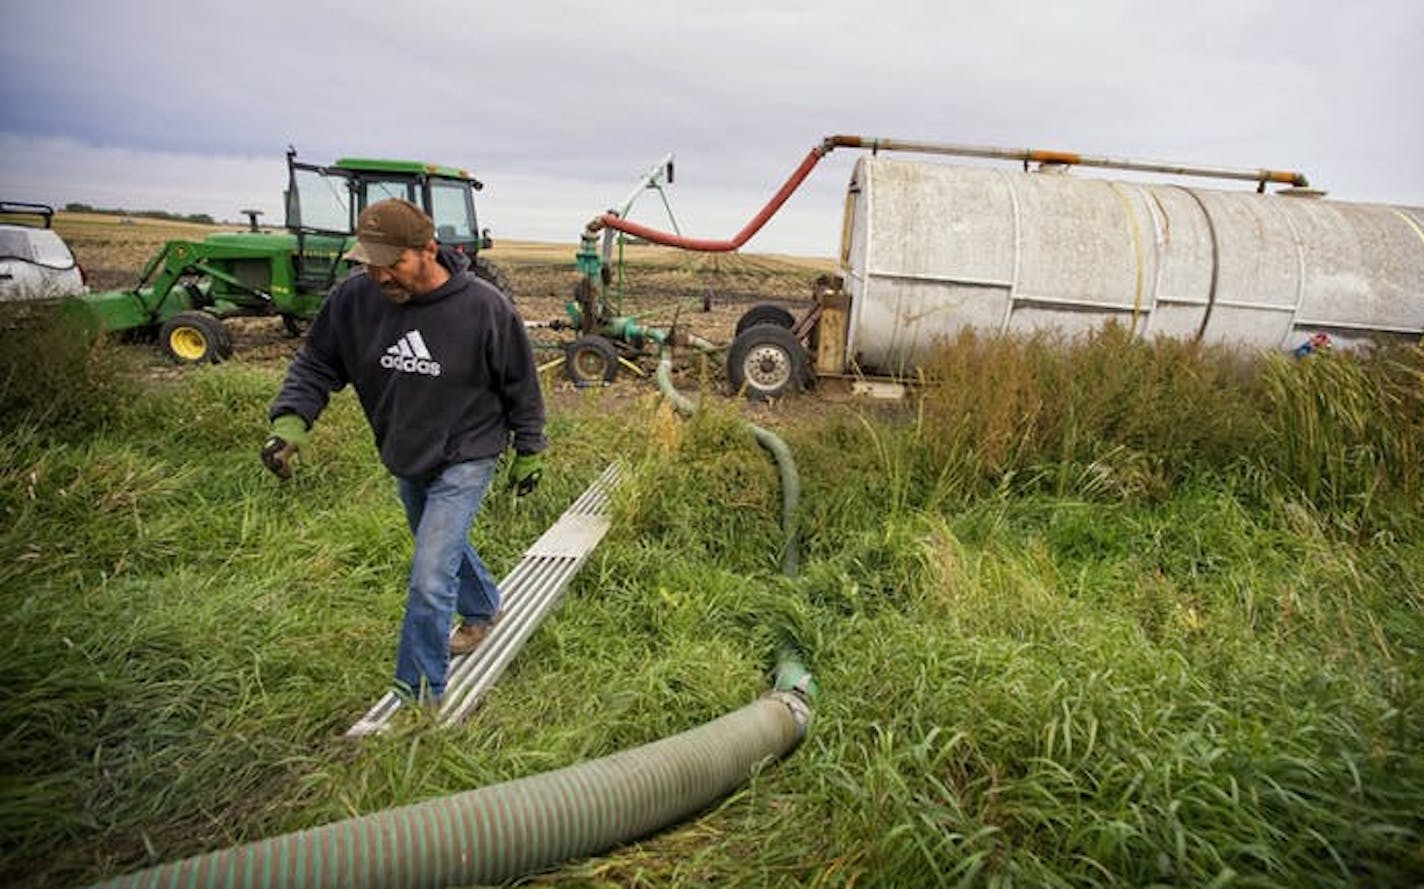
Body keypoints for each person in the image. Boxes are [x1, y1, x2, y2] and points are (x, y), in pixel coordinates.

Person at [261, 197, 547, 704]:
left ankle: (418, 698)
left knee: (429, 574)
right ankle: (482, 608)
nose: (380, 275)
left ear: (428, 250)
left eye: (392, 262)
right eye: (370, 263)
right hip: (406, 448)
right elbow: (316, 365)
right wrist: (290, 425)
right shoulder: (353, 301)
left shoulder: (483, 308)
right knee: (438, 545)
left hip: (468, 451)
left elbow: (520, 383)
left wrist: (529, 450)